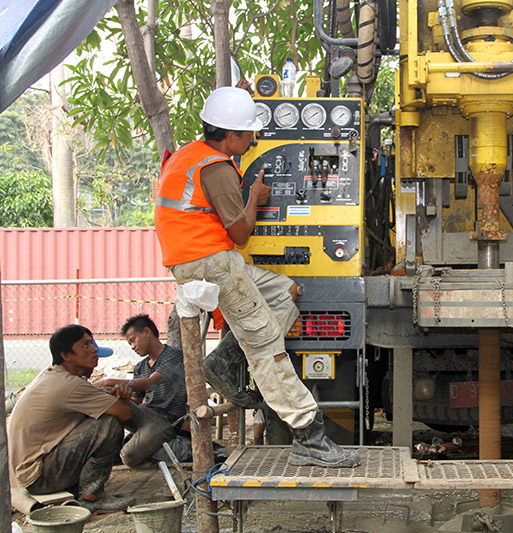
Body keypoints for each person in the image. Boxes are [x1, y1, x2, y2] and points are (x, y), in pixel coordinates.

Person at [154, 86, 360, 468]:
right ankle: (309, 437)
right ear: (230, 135)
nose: (254, 139)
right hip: (210, 262)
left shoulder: (188, 154)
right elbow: (240, 233)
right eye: (249, 132)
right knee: (266, 346)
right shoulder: (216, 167)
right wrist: (255, 198)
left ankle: (225, 359)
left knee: (285, 291)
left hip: (208, 261)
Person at [7, 325, 135, 511]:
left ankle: (83, 490)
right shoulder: (69, 384)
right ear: (66, 355)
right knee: (108, 424)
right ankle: (92, 497)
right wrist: (121, 398)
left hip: (31, 472)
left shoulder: (55, 375)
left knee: (99, 417)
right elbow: (124, 413)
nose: (94, 350)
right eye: (85, 345)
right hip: (40, 478)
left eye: (91, 344)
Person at [94, 314, 188, 466]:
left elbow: (151, 382)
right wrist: (121, 395)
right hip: (145, 413)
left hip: (167, 419)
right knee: (107, 397)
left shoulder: (173, 355)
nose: (132, 347)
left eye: (133, 340)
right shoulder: (140, 367)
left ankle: (179, 448)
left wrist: (109, 382)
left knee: (129, 456)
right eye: (129, 343)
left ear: (147, 332)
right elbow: (135, 401)